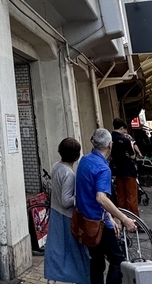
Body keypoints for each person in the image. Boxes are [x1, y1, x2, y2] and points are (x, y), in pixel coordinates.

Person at [76, 128, 138, 284]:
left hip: (84, 220)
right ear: (110, 145)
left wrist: (110, 215)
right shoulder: (103, 168)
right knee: (118, 260)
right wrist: (124, 219)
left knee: (97, 261)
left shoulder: (85, 160)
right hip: (98, 223)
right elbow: (100, 197)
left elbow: (90, 193)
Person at [43, 137, 90, 284]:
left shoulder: (56, 166)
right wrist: (80, 198)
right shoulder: (70, 174)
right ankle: (78, 278)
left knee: (56, 249)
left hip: (55, 213)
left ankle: (53, 277)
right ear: (76, 156)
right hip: (67, 217)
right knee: (75, 252)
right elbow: (65, 201)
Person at [111, 118, 141, 214]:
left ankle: (122, 216)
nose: (125, 132)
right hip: (128, 170)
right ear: (121, 128)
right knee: (132, 196)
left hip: (116, 170)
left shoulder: (109, 139)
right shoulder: (125, 140)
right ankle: (134, 219)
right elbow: (132, 156)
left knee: (121, 195)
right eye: (124, 130)